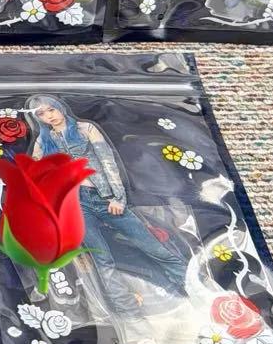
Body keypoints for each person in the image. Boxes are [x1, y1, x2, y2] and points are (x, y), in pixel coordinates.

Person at [27, 96, 188, 324]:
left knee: (153, 247)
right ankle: (130, 315)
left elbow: (108, 162)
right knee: (103, 261)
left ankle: (192, 286)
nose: (48, 116)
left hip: (105, 198)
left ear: (60, 107)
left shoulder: (85, 129)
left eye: (51, 109)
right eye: (41, 114)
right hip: (75, 206)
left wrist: (118, 197)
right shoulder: (44, 140)